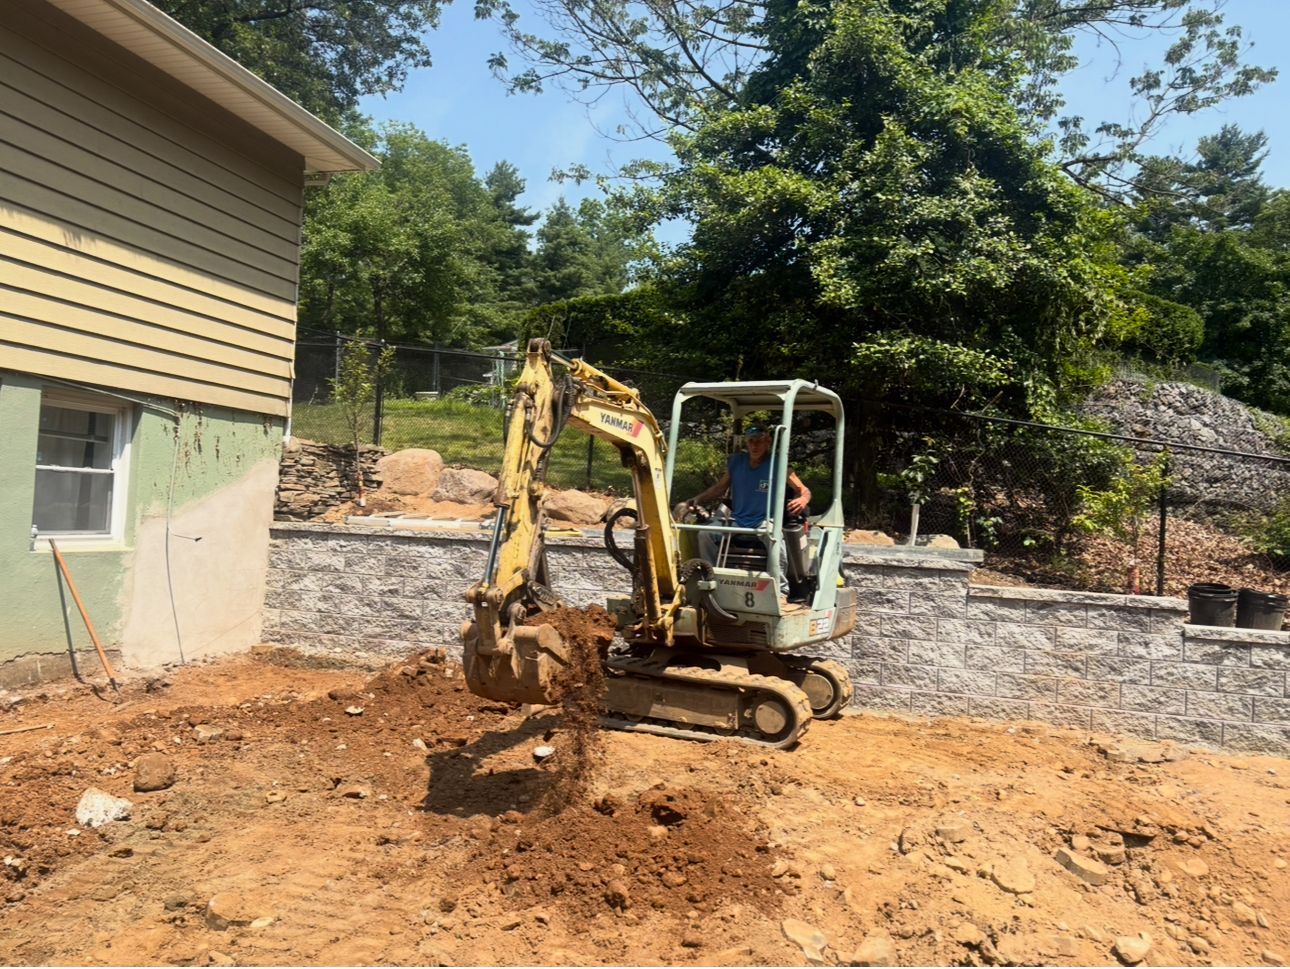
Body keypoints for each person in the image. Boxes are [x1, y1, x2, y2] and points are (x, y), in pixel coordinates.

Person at [687, 425, 811, 590]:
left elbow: (803, 490)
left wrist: (803, 498)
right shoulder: (736, 462)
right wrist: (698, 499)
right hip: (737, 520)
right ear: (747, 443)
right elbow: (719, 488)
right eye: (751, 441)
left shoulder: (778, 464)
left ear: (768, 442)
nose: (755, 446)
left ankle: (779, 588)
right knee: (705, 534)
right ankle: (711, 579)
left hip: (764, 521)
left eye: (759, 442)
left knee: (775, 540)